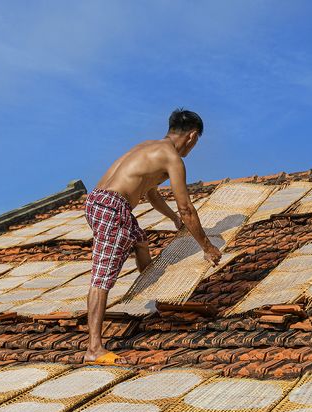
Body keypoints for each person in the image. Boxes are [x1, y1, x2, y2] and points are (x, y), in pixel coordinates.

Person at [83, 108, 222, 364]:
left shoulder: (148, 147)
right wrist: (207, 246)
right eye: (195, 143)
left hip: (101, 202)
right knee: (102, 276)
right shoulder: (172, 158)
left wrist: (171, 218)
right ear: (192, 136)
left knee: (139, 239)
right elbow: (187, 209)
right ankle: (94, 348)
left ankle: (158, 298)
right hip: (112, 207)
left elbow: (151, 193)